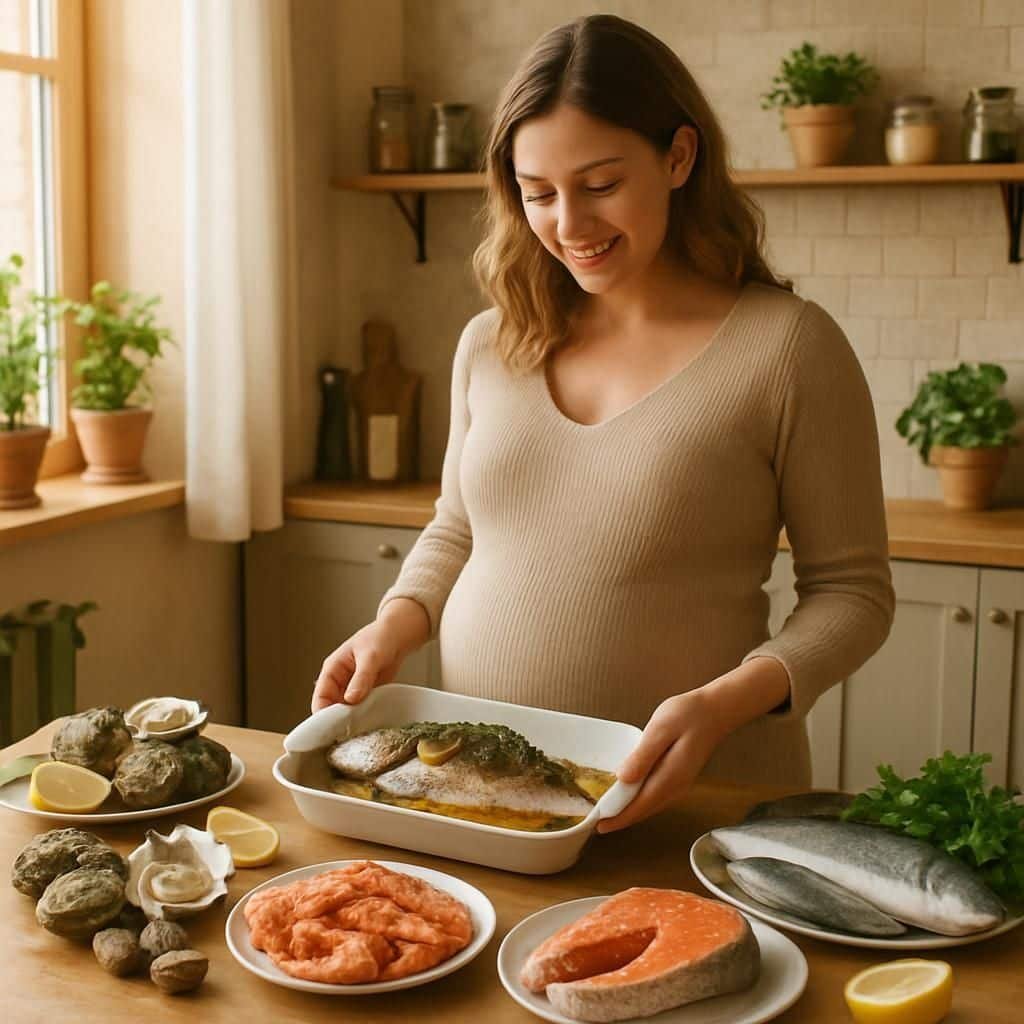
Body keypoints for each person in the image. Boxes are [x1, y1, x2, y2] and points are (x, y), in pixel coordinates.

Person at [311, 15, 894, 834]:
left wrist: (726, 703)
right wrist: (392, 625)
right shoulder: (492, 339)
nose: (570, 226)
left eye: (601, 184)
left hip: (695, 801)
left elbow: (854, 595)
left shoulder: (789, 347)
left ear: (679, 157)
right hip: (484, 796)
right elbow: (457, 530)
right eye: (538, 192)